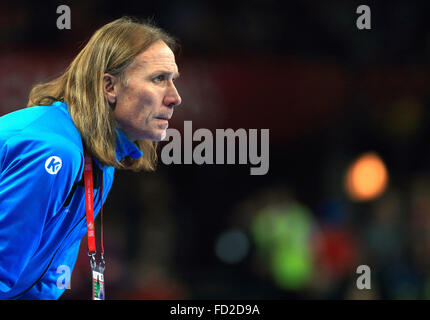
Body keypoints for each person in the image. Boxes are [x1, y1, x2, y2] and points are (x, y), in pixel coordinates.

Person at [0, 16, 182, 300]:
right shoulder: (54, 153)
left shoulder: (98, 159)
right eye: (159, 79)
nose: (175, 97)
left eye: (173, 81)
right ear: (110, 87)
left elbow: (41, 282)